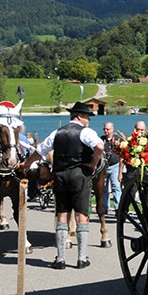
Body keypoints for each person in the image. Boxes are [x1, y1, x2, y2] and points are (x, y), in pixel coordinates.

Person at [34, 101, 104, 269]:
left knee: (62, 215)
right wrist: (94, 164)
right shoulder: (85, 132)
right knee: (82, 216)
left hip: (60, 176)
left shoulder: (57, 133)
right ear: (79, 116)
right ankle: (81, 258)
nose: (88, 119)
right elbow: (100, 146)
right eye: (87, 116)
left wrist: (25, 164)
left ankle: (60, 259)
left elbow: (39, 151)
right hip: (80, 175)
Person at [101, 122, 122, 217]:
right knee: (103, 188)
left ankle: (118, 208)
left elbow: (122, 154)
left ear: (112, 129)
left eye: (108, 129)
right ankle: (105, 207)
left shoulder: (118, 140)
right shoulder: (101, 140)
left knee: (116, 187)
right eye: (104, 129)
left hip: (115, 166)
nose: (106, 131)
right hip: (104, 166)